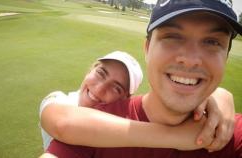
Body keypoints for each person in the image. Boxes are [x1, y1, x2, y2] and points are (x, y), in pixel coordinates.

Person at [42, 0, 242, 157]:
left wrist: (218, 92)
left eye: (212, 41)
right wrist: (175, 137)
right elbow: (61, 122)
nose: (190, 60)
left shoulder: (230, 132)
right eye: (172, 36)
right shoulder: (83, 130)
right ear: (147, 49)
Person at [40, 51, 143, 150]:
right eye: (100, 73)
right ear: (91, 70)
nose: (99, 90)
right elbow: (61, 125)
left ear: (124, 100)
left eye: (116, 88)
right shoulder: (58, 99)